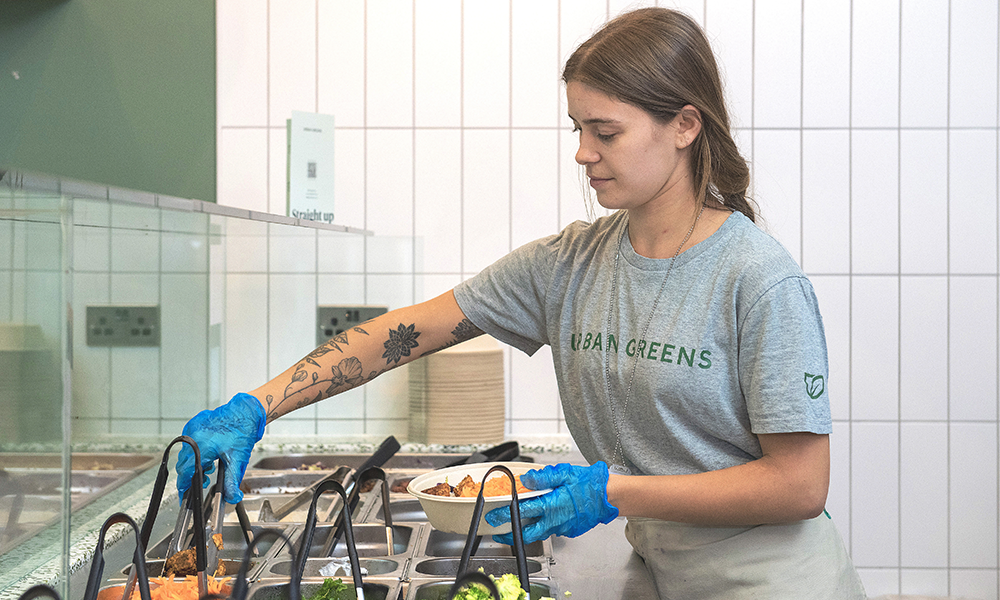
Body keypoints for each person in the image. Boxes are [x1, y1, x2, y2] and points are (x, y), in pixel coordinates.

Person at [176, 7, 865, 599]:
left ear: (684, 125)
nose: (583, 153)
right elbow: (408, 332)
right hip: (661, 567)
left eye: (606, 131)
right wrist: (257, 406)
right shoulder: (569, 263)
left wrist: (611, 492)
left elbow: (799, 485)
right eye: (578, 130)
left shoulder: (757, 279)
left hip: (773, 580)